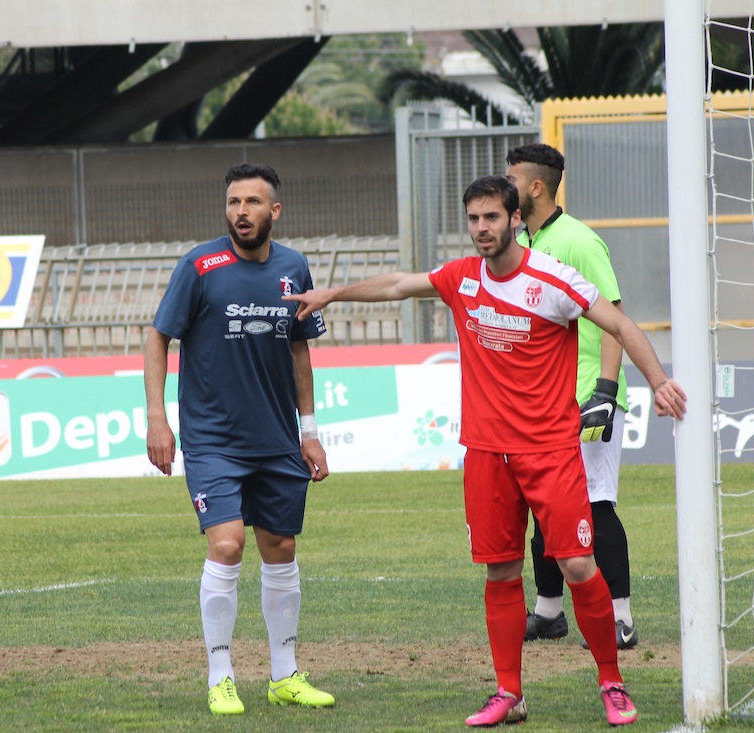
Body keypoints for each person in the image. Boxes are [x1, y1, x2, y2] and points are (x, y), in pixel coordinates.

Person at [284, 175, 686, 728]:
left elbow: (617, 321)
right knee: (500, 572)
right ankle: (509, 694)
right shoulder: (462, 277)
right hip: (486, 454)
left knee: (576, 564)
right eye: (473, 218)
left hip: (550, 450)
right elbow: (399, 285)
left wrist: (659, 381)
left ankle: (611, 682)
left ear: (515, 218)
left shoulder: (552, 279)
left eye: (491, 217)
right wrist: (332, 294)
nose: (481, 228)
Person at [143, 163, 335, 716]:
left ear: (274, 211)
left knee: (282, 549)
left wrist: (309, 432)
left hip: (277, 440)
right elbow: (158, 337)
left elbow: (299, 350)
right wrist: (157, 417)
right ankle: (220, 675)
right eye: (233, 202)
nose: (241, 212)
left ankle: (284, 675)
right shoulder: (200, 265)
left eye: (252, 202)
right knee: (227, 545)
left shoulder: (294, 267)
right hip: (213, 441)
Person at [506, 143, 639, 650]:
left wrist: (605, 390)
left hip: (587, 396)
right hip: (544, 401)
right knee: (545, 505)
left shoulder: (579, 241)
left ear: (536, 186)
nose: (505, 186)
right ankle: (549, 612)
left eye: (511, 179)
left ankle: (621, 618)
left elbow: (615, 318)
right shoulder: (521, 242)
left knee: (595, 505)